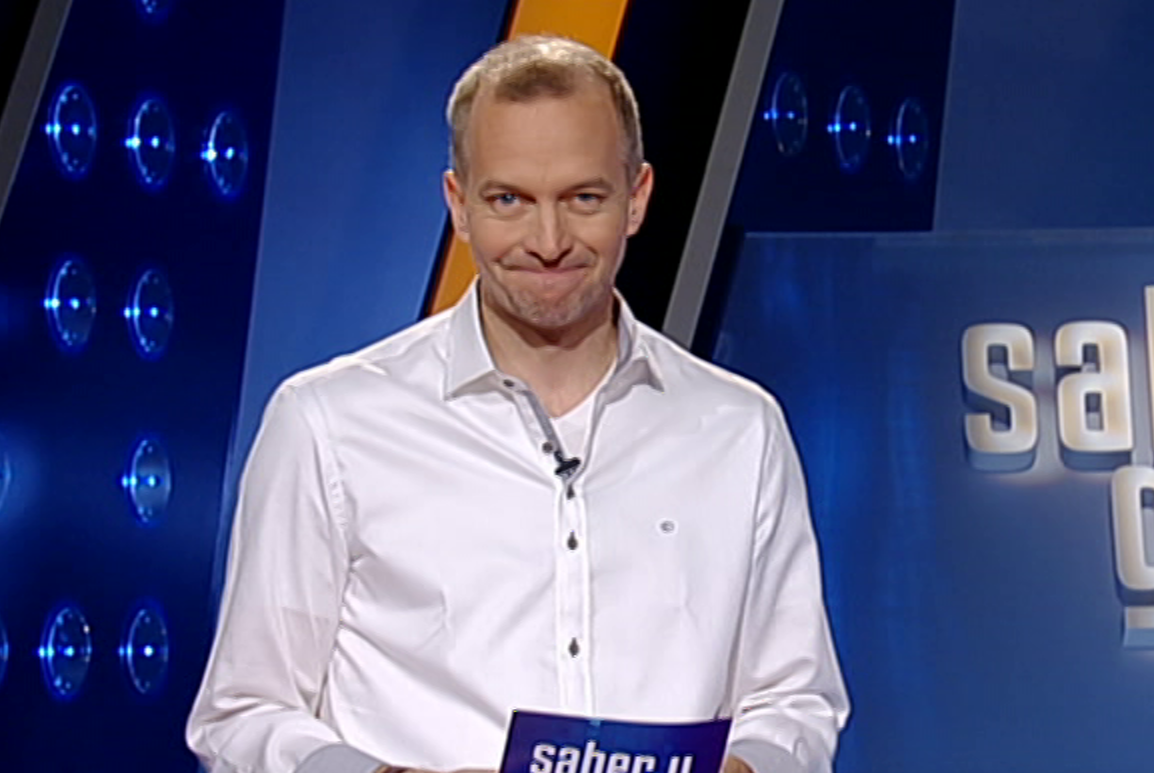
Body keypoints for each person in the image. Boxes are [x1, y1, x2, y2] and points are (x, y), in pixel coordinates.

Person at [186, 34, 849, 773]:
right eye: (509, 200)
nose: (548, 241)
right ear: (459, 204)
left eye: (583, 198)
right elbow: (242, 715)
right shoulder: (330, 423)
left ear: (636, 199)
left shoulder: (738, 429)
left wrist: (748, 767)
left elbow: (795, 700)